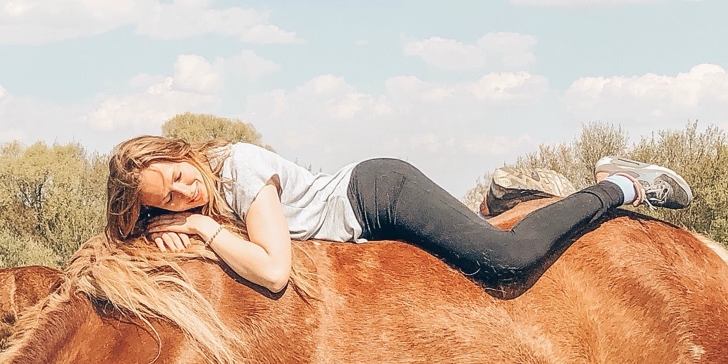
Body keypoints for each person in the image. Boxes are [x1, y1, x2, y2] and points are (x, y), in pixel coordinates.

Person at [104, 136, 693, 294]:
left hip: (378, 195)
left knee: (506, 259)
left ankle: (620, 185)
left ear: (183, 154)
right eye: (170, 202)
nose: (186, 195)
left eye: (180, 177)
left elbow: (273, 271)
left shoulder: (237, 167)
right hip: (362, 225)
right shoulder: (199, 198)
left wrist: (204, 231)